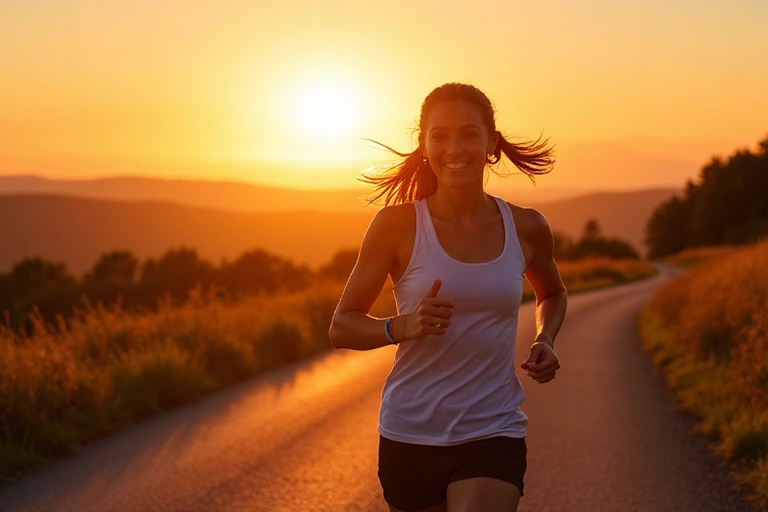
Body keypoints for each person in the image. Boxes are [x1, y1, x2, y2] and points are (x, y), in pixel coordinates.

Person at [329, 82, 567, 512]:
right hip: (410, 434)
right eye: (439, 135)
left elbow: (551, 292)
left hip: (493, 429)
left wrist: (544, 337)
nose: (453, 147)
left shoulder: (527, 226)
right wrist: (397, 327)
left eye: (468, 133)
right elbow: (342, 325)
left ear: (491, 143)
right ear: (423, 144)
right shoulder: (396, 226)